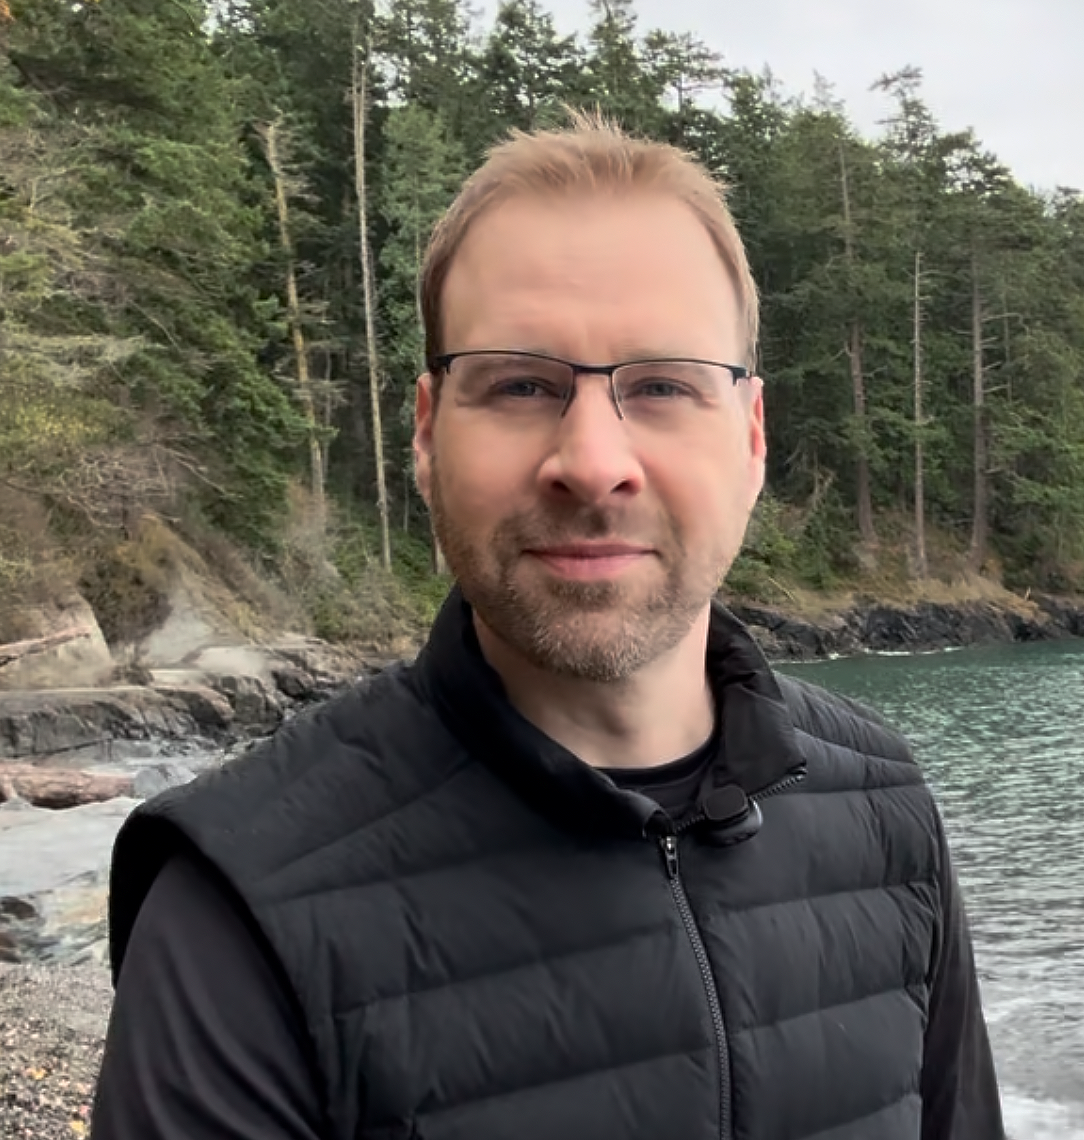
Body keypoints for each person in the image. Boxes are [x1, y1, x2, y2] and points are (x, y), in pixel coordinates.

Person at [91, 112, 1006, 1140]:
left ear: (752, 438)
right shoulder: (239, 902)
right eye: (521, 384)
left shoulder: (882, 808)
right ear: (428, 434)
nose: (594, 461)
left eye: (663, 386)